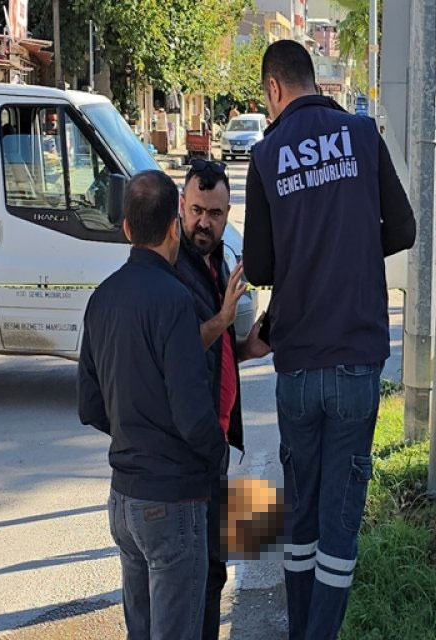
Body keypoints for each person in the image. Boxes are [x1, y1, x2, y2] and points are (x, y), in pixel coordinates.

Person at [244, 40, 416, 640]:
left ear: (273, 89)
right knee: (341, 523)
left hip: (295, 366)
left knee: (302, 515)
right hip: (355, 362)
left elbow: (261, 266)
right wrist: (353, 248)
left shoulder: (265, 156)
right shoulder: (364, 136)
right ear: (314, 80)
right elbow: (405, 229)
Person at [78, 170, 226, 640]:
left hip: (123, 501)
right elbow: (191, 412)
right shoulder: (175, 300)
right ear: (172, 228)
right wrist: (216, 454)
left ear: (126, 228)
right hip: (173, 499)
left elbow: (90, 405)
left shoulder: (101, 298)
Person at [171, 159, 272, 640]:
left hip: (218, 439)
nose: (204, 223)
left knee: (216, 566)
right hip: (193, 444)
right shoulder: (172, 268)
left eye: (214, 213)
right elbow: (181, 348)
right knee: (198, 572)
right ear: (180, 206)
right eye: (196, 210)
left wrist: (249, 344)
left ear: (228, 212)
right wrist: (225, 316)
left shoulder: (219, 262)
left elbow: (219, 349)